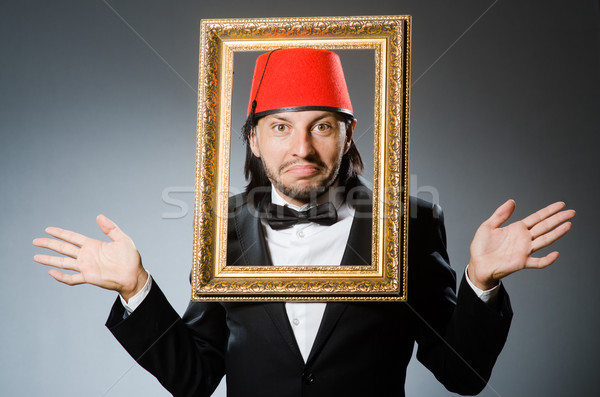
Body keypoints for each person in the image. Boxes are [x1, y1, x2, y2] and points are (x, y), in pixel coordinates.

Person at [33, 48, 575, 397]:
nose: (301, 148)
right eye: (280, 128)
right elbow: (196, 378)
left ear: (348, 133)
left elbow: (462, 375)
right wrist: (136, 291)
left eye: (321, 126)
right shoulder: (224, 225)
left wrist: (481, 283)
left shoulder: (410, 223)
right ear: (253, 138)